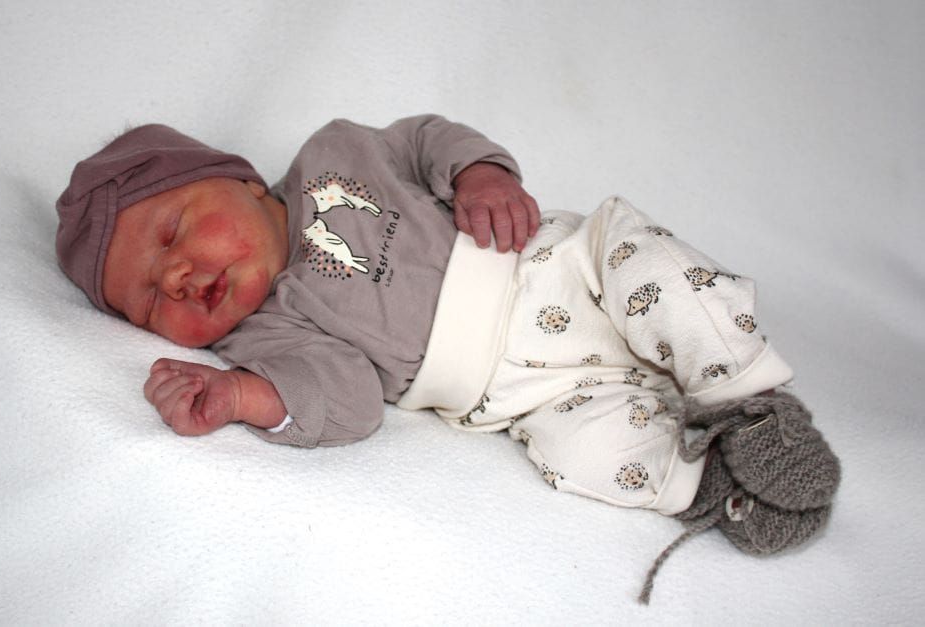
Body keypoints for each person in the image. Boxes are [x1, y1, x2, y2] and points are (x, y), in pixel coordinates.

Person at [55, 115, 840, 601]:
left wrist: (479, 173)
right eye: (149, 300)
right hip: (522, 395)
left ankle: (749, 401)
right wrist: (241, 398)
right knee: (579, 454)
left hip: (558, 271)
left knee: (649, 267)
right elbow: (350, 401)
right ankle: (711, 487)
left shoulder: (332, 155)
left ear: (241, 180)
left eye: (172, 232)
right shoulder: (262, 344)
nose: (177, 275)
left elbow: (424, 139)